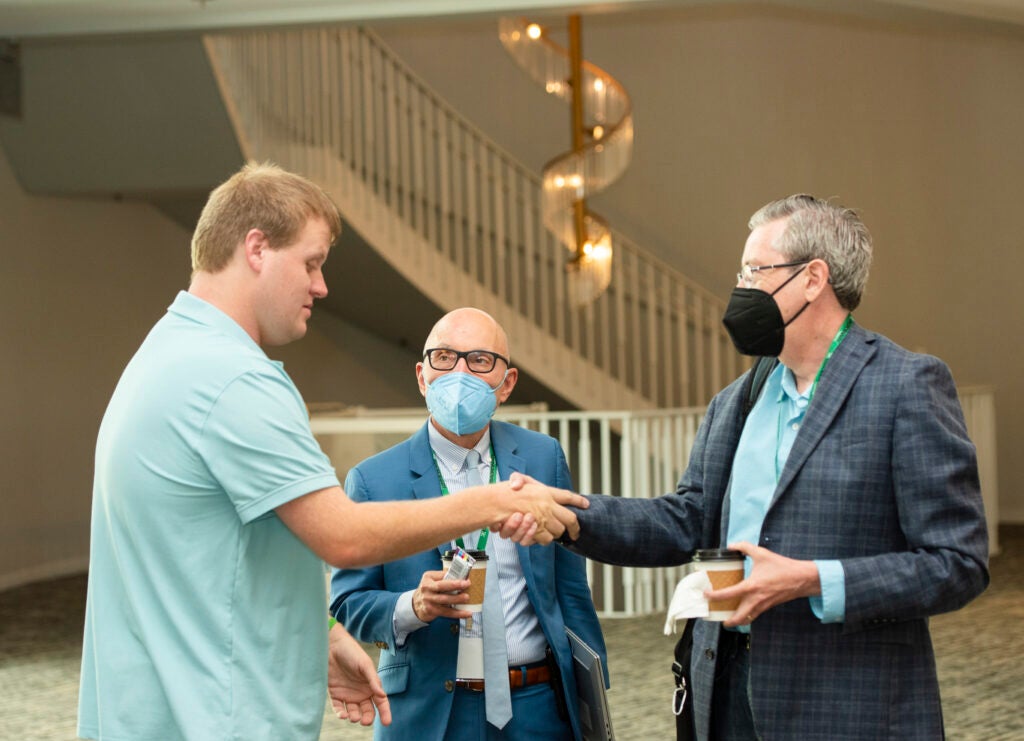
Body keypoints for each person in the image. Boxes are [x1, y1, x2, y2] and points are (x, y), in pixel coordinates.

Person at [76, 163, 587, 741]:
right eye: (312, 262)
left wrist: (323, 637)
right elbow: (342, 535)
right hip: (211, 716)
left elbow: (204, 562)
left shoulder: (167, 354)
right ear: (257, 249)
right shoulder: (234, 380)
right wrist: (494, 502)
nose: (321, 286)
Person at [557, 194, 989, 740]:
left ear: (813, 279)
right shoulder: (738, 399)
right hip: (727, 683)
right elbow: (687, 519)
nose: (741, 289)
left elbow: (957, 563)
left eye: (755, 271)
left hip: (847, 701)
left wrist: (813, 580)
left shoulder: (906, 386)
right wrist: (572, 516)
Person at [330, 307, 609, 741]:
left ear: (506, 384)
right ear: (422, 376)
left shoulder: (542, 458)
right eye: (444, 357)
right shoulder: (373, 480)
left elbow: (570, 588)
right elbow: (349, 602)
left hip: (536, 704)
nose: (459, 372)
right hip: (433, 710)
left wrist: (595, 693)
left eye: (479, 360)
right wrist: (413, 606)